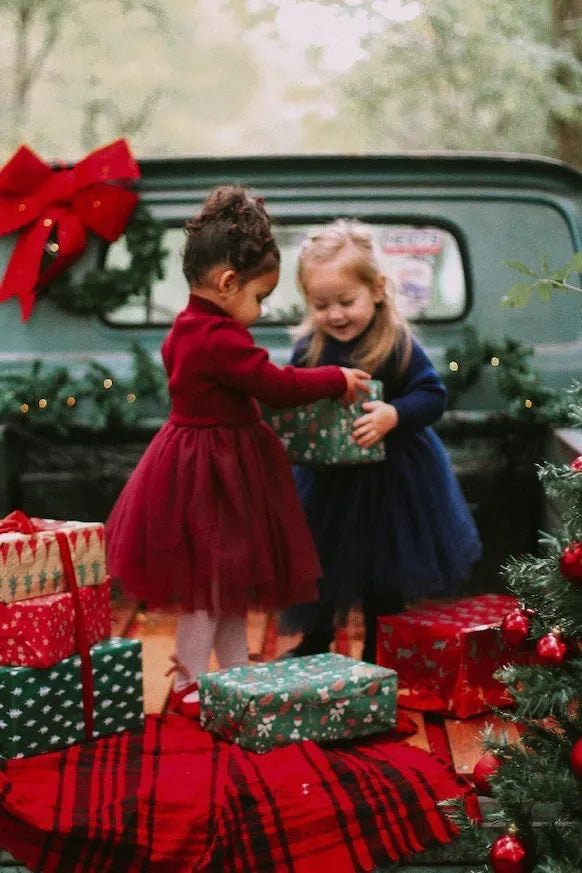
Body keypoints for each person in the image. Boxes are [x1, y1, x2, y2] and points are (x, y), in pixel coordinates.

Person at [105, 188, 370, 716]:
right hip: (215, 470)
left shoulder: (187, 327)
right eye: (259, 297)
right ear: (228, 284)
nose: (261, 309)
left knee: (222, 583)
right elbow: (274, 385)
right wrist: (333, 378)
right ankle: (188, 682)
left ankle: (234, 674)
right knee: (208, 586)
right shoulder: (219, 339)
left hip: (199, 458)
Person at [280, 219, 482, 663]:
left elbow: (432, 395)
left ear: (377, 289)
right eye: (321, 304)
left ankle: (380, 648)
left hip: (392, 482)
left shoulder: (396, 345)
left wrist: (394, 413)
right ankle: (315, 642)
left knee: (383, 573)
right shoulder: (309, 350)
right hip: (328, 483)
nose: (335, 314)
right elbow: (292, 396)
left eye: (346, 301)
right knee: (320, 567)